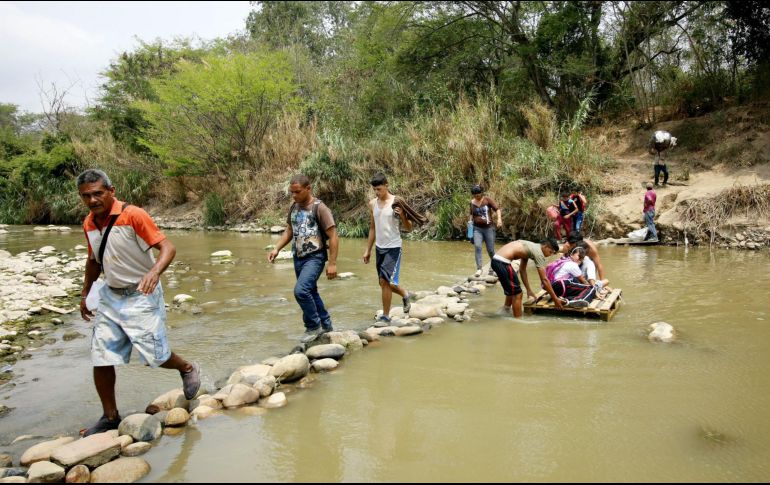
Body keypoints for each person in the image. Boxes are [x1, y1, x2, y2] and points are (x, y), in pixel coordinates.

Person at [77, 169, 200, 436]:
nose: (93, 200)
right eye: (86, 196)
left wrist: (154, 272)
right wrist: (86, 292)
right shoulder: (89, 223)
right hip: (110, 296)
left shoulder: (133, 215)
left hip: (142, 293)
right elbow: (93, 260)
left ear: (112, 191)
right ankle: (110, 417)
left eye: (98, 193)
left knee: (155, 356)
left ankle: (187, 367)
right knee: (101, 356)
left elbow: (168, 247)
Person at [268, 175, 339, 343]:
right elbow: (289, 230)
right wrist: (277, 248)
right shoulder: (294, 207)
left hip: (315, 257)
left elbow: (333, 235)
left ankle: (313, 326)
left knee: (301, 291)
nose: (294, 195)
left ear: (308, 188)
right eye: (292, 192)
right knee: (310, 291)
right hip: (298, 257)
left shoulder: (320, 208)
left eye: (297, 192)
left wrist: (332, 263)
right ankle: (326, 324)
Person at [363, 173, 413, 324]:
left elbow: (409, 228)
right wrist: (368, 250)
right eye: (375, 190)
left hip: (394, 247)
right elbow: (373, 228)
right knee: (383, 283)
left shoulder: (397, 202)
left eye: (379, 189)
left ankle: (385, 315)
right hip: (380, 248)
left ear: (386, 185)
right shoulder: (372, 204)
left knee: (385, 281)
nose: (377, 192)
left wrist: (403, 216)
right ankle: (405, 294)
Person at [489, 238, 562, 318]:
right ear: (545, 246)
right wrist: (555, 299)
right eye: (550, 252)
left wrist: (529, 290)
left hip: (496, 260)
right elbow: (544, 279)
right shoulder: (539, 253)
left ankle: (505, 311)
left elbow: (522, 270)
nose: (549, 255)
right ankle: (518, 320)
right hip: (502, 262)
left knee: (513, 290)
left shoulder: (531, 247)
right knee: (518, 294)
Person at [469, 184, 502, 277]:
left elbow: (497, 209)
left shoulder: (487, 200)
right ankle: (479, 269)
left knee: (490, 250)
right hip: (477, 229)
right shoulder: (471, 203)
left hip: (488, 228)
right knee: (478, 247)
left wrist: (499, 219)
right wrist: (470, 226)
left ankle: (495, 267)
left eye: (478, 195)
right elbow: (471, 215)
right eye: (475, 196)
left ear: (481, 193)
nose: (477, 197)